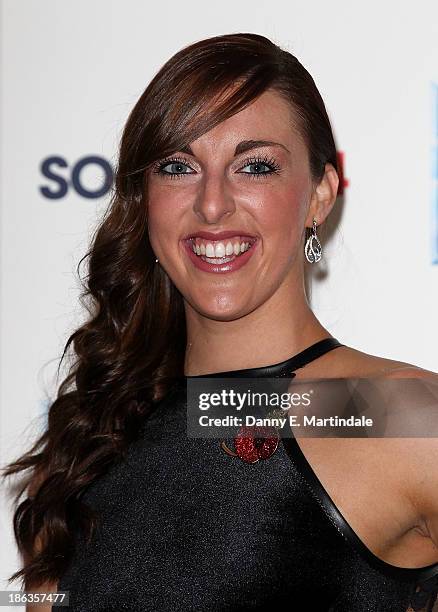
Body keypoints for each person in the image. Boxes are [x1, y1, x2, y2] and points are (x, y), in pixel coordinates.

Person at [2, 32, 438, 612]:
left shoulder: (391, 413)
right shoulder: (89, 446)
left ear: (320, 195)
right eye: (178, 167)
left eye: (254, 166)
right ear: (143, 200)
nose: (212, 204)